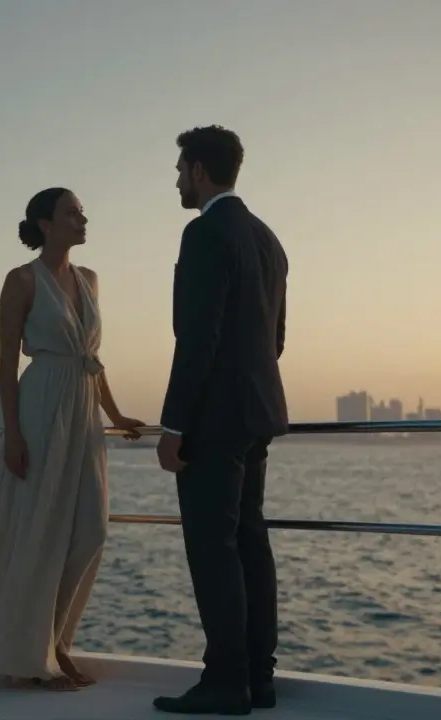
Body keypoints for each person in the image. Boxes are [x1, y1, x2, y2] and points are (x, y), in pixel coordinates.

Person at [0, 187, 145, 691]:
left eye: (82, 211)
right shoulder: (20, 281)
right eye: (72, 213)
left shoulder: (90, 280)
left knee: (90, 531)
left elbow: (91, 357)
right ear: (44, 224)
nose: (83, 219)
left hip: (83, 413)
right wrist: (12, 435)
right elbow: (6, 363)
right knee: (37, 533)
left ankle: (54, 638)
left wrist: (116, 413)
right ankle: (38, 653)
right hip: (40, 409)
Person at [151, 126, 290, 715]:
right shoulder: (267, 239)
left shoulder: (205, 232)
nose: (178, 180)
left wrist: (174, 424)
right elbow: (275, 337)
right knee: (251, 543)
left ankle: (226, 681)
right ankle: (259, 677)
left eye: (182, 170)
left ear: (201, 171)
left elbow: (197, 336)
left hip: (213, 420)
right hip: (259, 412)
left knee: (213, 549)